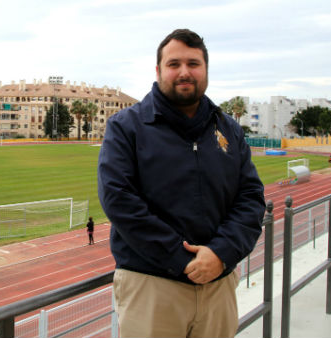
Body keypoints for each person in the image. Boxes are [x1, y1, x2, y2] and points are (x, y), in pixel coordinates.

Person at [97, 28, 266, 338]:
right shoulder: (126, 127)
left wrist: (220, 254)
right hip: (151, 286)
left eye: (194, 63)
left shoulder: (229, 128)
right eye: (174, 64)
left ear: (205, 70)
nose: (184, 72)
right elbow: (118, 200)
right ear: (159, 70)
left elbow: (251, 198)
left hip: (218, 283)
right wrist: (182, 259)